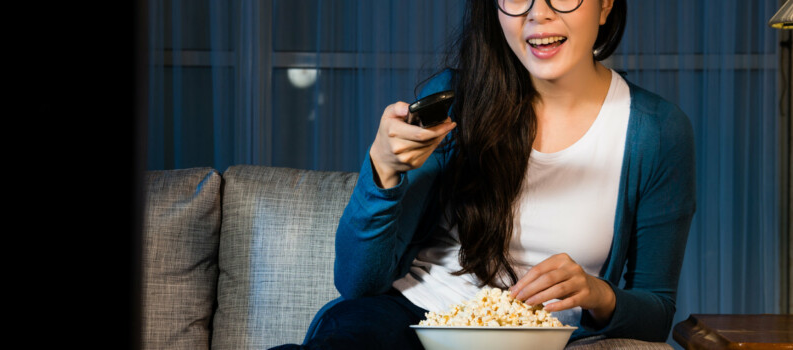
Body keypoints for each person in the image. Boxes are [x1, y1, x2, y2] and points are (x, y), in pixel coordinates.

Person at [273, 0, 694, 348]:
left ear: (605, 6)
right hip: (410, 322)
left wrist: (597, 293)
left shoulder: (656, 131)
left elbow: (655, 314)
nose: (538, 14)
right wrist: (382, 171)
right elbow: (357, 282)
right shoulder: (458, 103)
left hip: (536, 339)